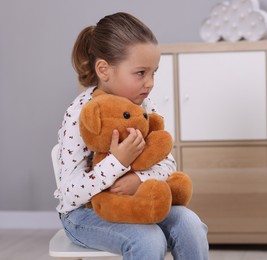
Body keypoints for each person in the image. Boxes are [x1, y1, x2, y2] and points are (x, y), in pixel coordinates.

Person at [54, 12, 209, 259]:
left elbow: (167, 163)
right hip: (85, 213)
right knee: (147, 239)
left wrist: (140, 179)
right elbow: (71, 192)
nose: (150, 83)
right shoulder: (81, 112)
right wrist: (117, 163)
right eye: (140, 73)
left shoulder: (145, 108)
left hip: (138, 199)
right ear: (104, 69)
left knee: (190, 224)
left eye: (153, 73)